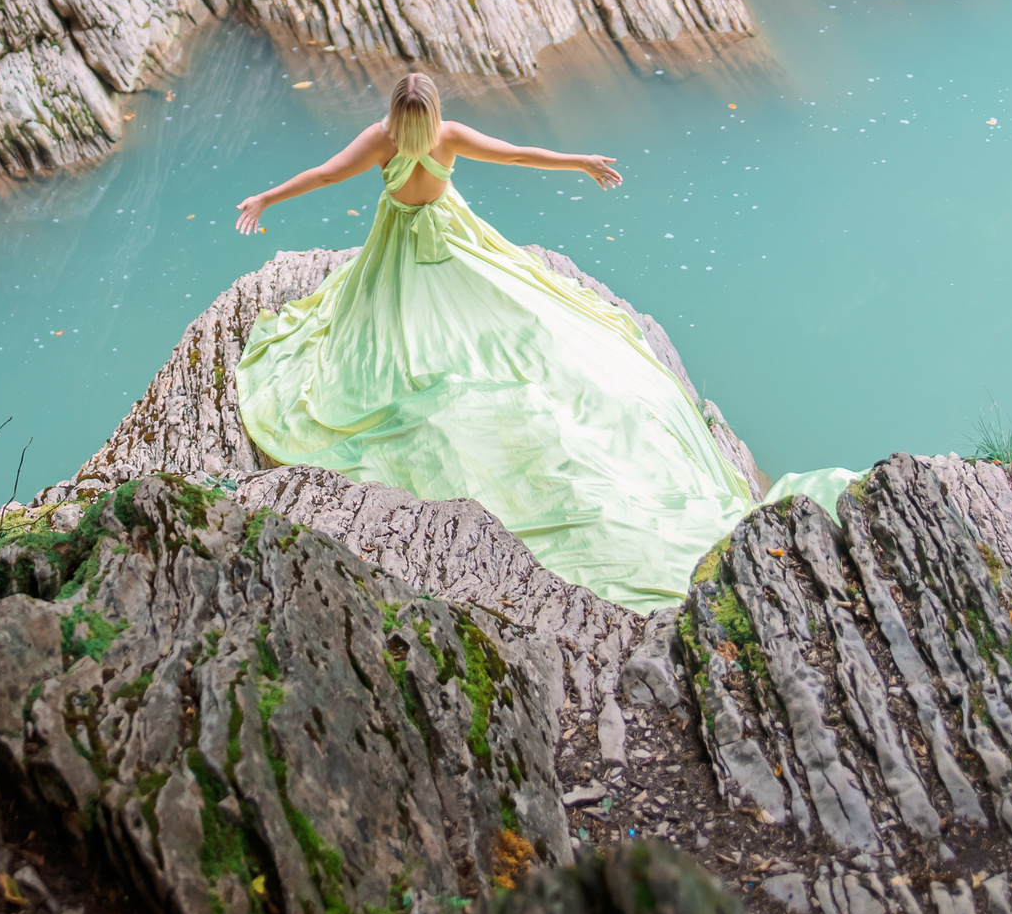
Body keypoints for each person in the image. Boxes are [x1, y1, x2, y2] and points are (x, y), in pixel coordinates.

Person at [234, 71, 853, 612]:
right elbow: (517, 156)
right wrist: (579, 162)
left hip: (399, 245)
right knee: (497, 317)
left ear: (396, 112)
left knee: (392, 328)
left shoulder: (381, 140)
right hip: (453, 240)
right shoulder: (447, 136)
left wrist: (265, 198)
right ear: (433, 111)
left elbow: (324, 174)